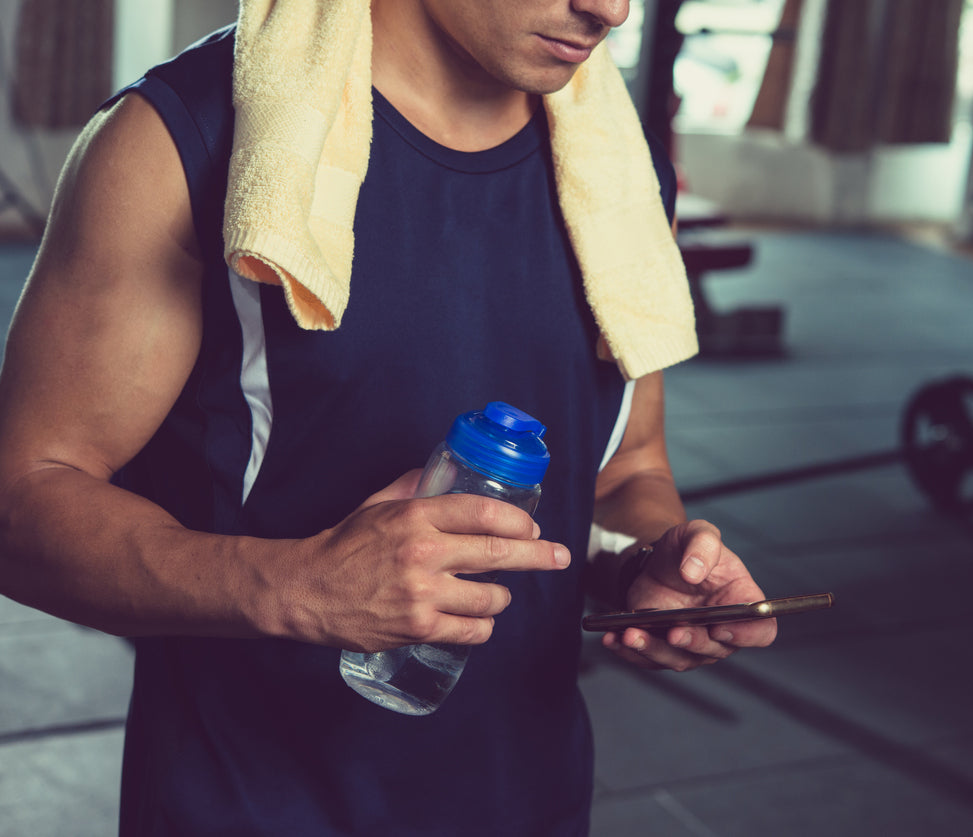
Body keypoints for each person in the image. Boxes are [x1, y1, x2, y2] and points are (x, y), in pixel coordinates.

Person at [0, 1, 776, 834]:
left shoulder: (618, 168)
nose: (611, 9)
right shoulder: (183, 138)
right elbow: (25, 498)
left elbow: (626, 472)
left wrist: (649, 565)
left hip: (531, 797)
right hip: (253, 801)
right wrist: (293, 585)